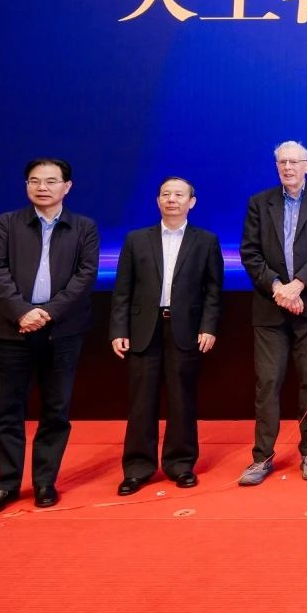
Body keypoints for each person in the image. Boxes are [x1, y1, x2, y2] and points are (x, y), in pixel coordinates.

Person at [0, 158, 99, 514]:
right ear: (26, 185)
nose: (42, 187)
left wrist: (48, 313)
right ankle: (6, 484)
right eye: (34, 181)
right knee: (8, 410)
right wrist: (22, 312)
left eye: (50, 181)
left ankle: (45, 481)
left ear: (67, 186)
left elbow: (85, 275)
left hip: (62, 330)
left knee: (56, 409)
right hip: (11, 329)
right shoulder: (6, 223)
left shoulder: (84, 227)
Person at [237, 141, 307, 485]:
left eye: (294, 162)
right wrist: (278, 289)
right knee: (267, 382)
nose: (288, 168)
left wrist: (298, 286)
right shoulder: (259, 202)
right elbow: (250, 253)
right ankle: (262, 457)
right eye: (282, 162)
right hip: (270, 306)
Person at [109, 177, 224, 495]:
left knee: (182, 399)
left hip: (185, 328)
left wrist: (209, 326)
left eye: (178, 194)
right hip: (143, 329)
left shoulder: (206, 241)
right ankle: (137, 468)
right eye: (165, 194)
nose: (171, 199)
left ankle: (181, 465)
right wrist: (118, 329)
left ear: (192, 202)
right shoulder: (136, 239)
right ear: (157, 200)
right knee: (141, 401)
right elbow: (122, 290)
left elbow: (213, 290)